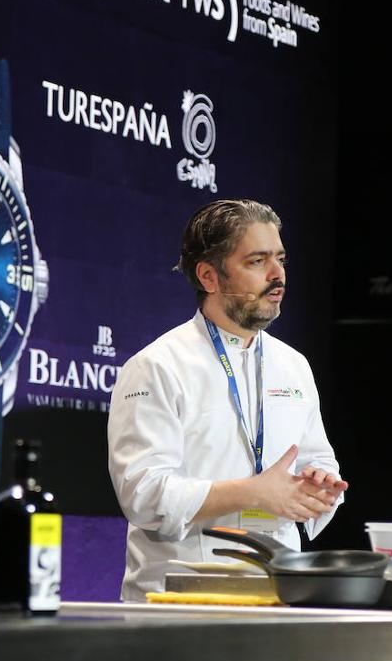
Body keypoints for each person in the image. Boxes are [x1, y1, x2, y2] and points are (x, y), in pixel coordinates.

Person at [107, 199, 347, 602]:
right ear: (209, 276)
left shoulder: (293, 365)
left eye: (281, 259)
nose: (277, 275)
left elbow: (318, 459)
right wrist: (254, 492)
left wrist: (319, 485)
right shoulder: (158, 365)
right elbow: (144, 494)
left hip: (277, 594)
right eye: (257, 261)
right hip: (177, 602)